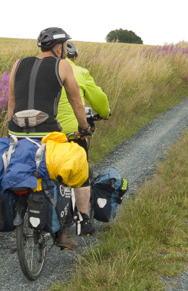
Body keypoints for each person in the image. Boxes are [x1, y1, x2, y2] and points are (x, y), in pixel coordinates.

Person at [6, 27, 91, 249]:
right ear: (59, 47)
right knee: (64, 171)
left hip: (16, 130)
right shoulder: (62, 65)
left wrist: (10, 132)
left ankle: (20, 218)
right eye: (64, 46)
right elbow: (76, 101)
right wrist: (84, 127)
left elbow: (12, 102)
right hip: (46, 132)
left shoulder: (18, 64)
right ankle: (64, 232)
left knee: (22, 167)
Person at [56, 41, 110, 237]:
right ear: (74, 57)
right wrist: (105, 112)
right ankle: (83, 218)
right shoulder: (79, 72)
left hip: (45, 132)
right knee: (81, 171)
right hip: (72, 132)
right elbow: (99, 100)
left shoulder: (45, 71)